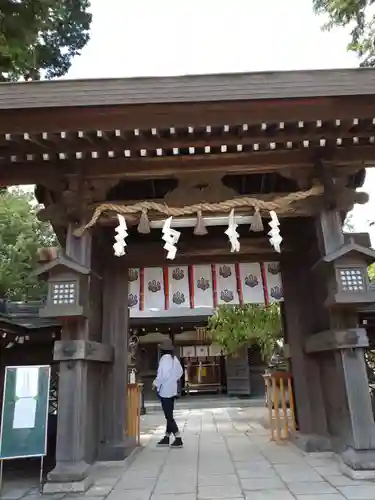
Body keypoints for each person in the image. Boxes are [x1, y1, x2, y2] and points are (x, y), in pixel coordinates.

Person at [153, 339, 183, 448]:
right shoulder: (174, 359)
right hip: (172, 389)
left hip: (165, 390)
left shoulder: (164, 359)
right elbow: (180, 372)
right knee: (169, 414)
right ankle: (166, 437)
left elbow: (162, 375)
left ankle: (178, 437)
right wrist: (173, 379)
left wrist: (156, 383)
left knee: (168, 416)